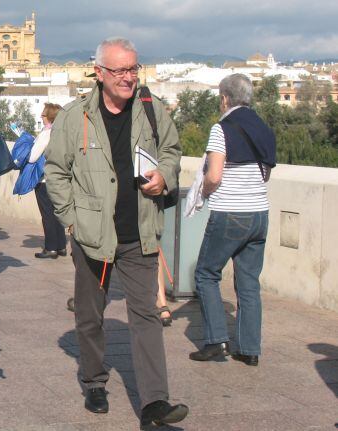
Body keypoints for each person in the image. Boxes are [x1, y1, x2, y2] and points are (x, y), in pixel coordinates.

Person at [44, 37, 188, 428]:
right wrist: (71, 220)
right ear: (100, 73)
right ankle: (93, 381)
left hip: (140, 231)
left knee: (146, 315)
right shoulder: (75, 117)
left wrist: (166, 177)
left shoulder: (151, 110)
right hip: (93, 237)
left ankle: (155, 403)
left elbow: (172, 152)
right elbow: (55, 172)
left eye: (134, 69)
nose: (129, 77)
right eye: (121, 70)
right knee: (91, 315)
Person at [189, 73, 276, 367]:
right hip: (259, 213)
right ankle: (250, 349)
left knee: (206, 273)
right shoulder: (263, 128)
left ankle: (216, 341)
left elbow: (214, 174)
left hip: (231, 212)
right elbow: (266, 173)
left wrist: (204, 190)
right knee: (249, 281)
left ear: (225, 98)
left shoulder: (221, 128)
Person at [30, 102, 67, 259]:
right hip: (60, 179)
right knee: (58, 213)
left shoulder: (46, 134)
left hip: (44, 180)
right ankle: (61, 246)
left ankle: (51, 247)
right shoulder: (62, 133)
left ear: (50, 117)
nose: (41, 117)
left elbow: (32, 157)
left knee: (47, 214)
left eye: (43, 114)